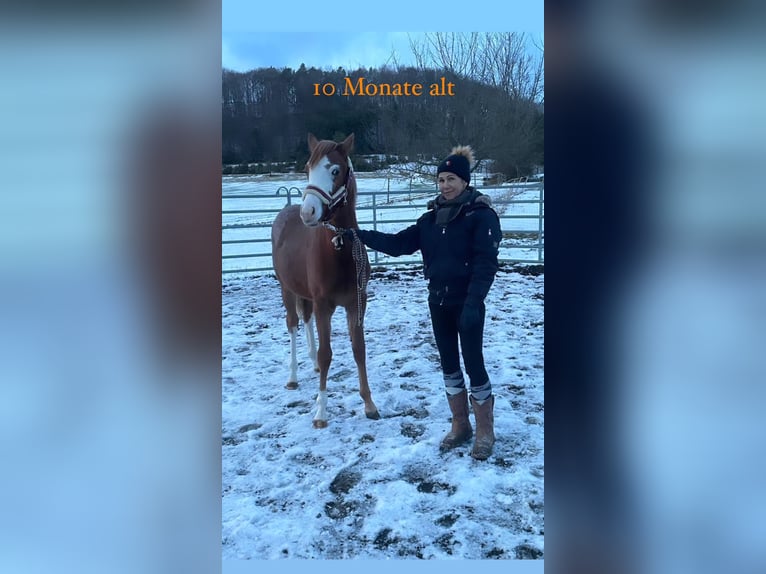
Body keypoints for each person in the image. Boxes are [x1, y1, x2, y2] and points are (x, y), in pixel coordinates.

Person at [343, 145, 502, 459]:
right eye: (441, 179)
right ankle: (461, 425)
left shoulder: (480, 216)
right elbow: (400, 244)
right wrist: (360, 236)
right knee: (448, 365)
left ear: (465, 182)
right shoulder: (429, 221)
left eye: (452, 179)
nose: (445, 185)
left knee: (474, 364)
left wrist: (474, 302)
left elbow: (486, 263)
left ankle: (485, 430)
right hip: (438, 303)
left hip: (467, 303)